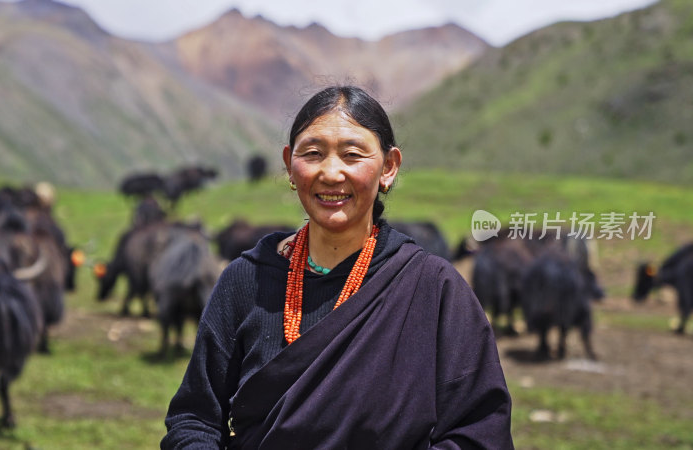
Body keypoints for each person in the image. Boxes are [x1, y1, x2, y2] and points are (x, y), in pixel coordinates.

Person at [161, 85, 513, 449]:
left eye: (352, 155)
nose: (331, 173)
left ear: (388, 168)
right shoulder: (246, 280)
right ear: (289, 166)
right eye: (312, 153)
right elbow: (194, 419)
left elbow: (480, 433)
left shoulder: (434, 290)